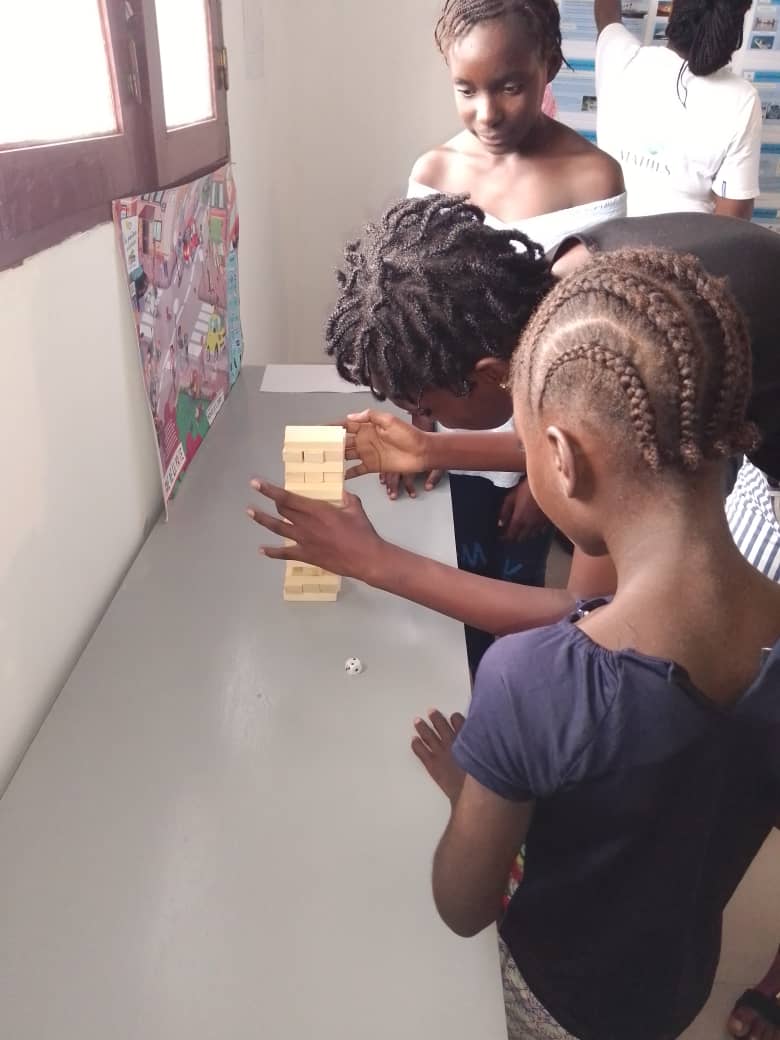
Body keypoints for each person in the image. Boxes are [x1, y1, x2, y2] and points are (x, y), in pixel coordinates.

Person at [248, 197, 780, 1034]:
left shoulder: (533, 683)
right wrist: (437, 448)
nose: (420, 422)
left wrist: (382, 563)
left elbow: (582, 611)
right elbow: (601, 428)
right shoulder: (604, 311)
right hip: (675, 982)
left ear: (507, 389)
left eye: (427, 408)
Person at [411, 249, 780, 1040]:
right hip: (677, 988)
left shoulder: (532, 681)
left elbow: (462, 905)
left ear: (562, 457)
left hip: (556, 1002)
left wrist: (478, 797)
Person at [382, 0, 626, 673]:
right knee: (450, 594)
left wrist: (539, 482)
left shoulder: (593, 177)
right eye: (466, 89)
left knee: (516, 614)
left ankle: (503, 708)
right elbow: (418, 322)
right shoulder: (433, 175)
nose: (486, 112)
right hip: (454, 431)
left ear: (549, 63)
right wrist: (420, 425)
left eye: (509, 86)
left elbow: (587, 353)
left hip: (549, 447)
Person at [594, 0, 761, 217]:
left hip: (607, 234)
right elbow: (733, 219)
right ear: (736, 23)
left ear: (673, 9)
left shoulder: (619, 58)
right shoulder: (742, 99)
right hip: (689, 237)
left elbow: (606, 14)